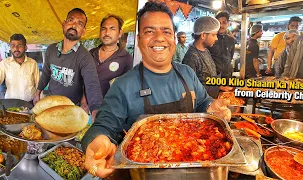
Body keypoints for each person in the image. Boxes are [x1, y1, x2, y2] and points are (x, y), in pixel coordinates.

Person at [81, 2, 231, 178]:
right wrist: (97, 144)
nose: (159, 37)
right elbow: (102, 126)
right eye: (150, 31)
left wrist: (212, 108)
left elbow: (203, 101)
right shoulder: (123, 85)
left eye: (166, 31)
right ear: (138, 40)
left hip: (196, 170)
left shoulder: (187, 73)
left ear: (174, 38)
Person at [33, 8, 103, 120]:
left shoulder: (85, 57)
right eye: (71, 20)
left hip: (71, 110)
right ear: (64, 24)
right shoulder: (51, 49)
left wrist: (95, 110)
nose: (74, 25)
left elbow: (92, 84)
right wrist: (37, 92)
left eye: (80, 23)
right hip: (50, 105)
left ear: (83, 31)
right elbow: (46, 73)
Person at [89, 15, 133, 97]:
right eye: (103, 29)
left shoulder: (126, 59)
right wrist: (84, 102)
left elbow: (128, 89)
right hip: (86, 106)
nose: (107, 33)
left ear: (120, 33)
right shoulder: (90, 54)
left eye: (112, 28)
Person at [0, 34, 40, 103]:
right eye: (13, 46)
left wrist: (38, 96)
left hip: (30, 102)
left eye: (19, 46)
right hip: (10, 103)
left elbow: (38, 83)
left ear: (25, 48)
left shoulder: (33, 63)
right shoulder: (4, 63)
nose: (16, 49)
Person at [208, 11, 236, 78]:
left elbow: (231, 56)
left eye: (224, 22)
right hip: (214, 76)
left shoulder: (231, 40)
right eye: (219, 23)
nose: (221, 26)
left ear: (228, 23)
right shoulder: (211, 38)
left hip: (227, 75)